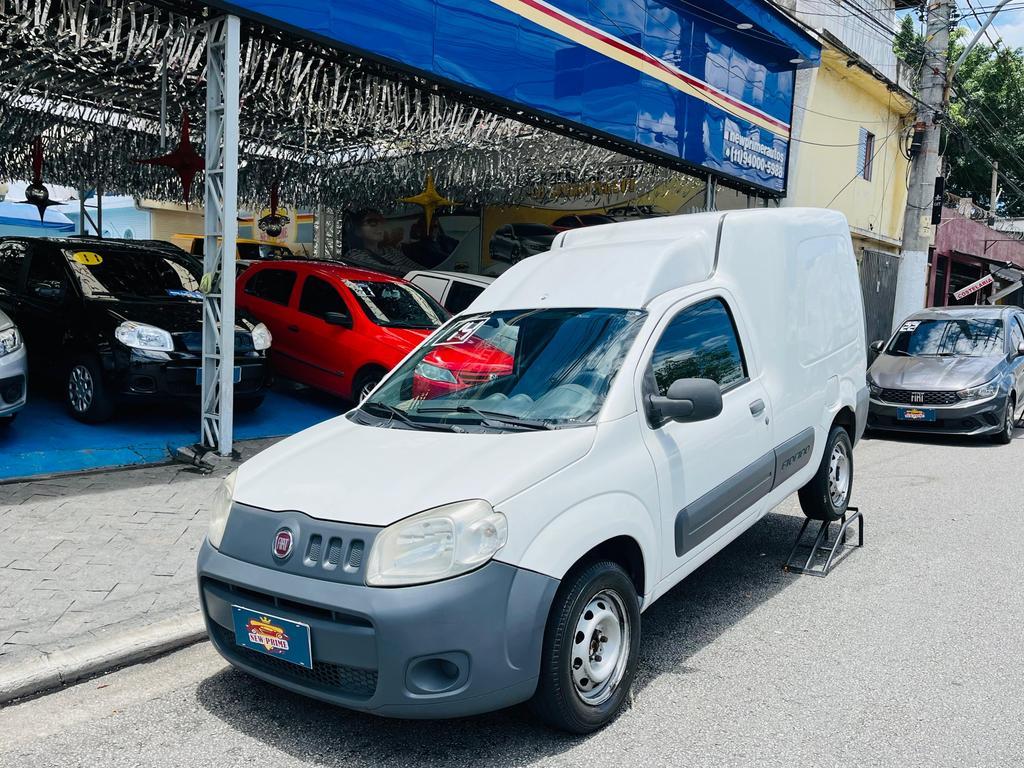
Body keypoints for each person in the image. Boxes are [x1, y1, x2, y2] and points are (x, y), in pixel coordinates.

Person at [343, 209, 422, 276]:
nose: (380, 226)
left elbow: (417, 268)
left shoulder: (390, 250)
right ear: (357, 231)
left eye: (382, 221)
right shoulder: (355, 255)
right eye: (372, 222)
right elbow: (383, 271)